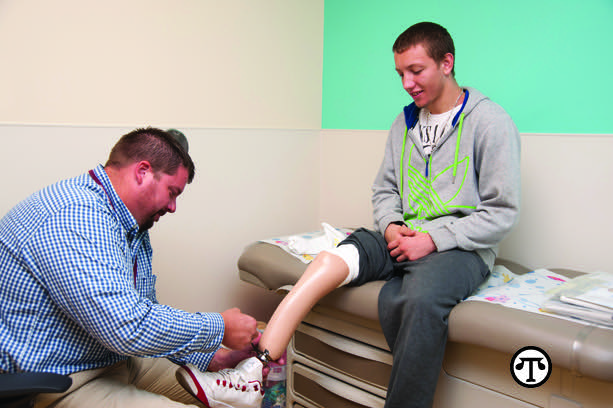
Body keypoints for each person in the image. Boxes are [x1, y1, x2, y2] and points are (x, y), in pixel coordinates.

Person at [183, 21, 521, 408]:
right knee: (331, 260)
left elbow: (501, 213)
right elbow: (384, 190)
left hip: (459, 248)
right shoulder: (405, 121)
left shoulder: (490, 122)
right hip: (402, 236)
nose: (407, 83)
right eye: (400, 74)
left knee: (419, 301)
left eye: (416, 71)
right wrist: (392, 226)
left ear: (447, 63)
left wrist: (433, 240)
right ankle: (252, 373)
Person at [0, 127, 264, 408]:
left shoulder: (131, 225)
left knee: (226, 397)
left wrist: (210, 358)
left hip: (109, 357)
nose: (173, 207)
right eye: (172, 192)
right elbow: (127, 326)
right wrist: (219, 327)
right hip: (57, 378)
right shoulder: (76, 215)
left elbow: (144, 312)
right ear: (143, 172)